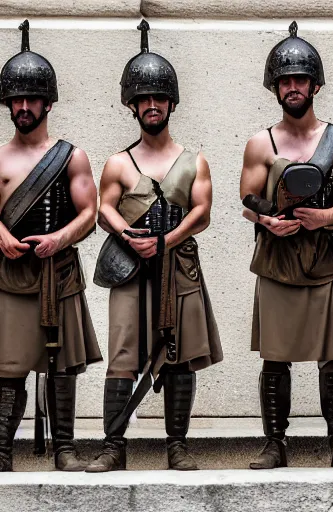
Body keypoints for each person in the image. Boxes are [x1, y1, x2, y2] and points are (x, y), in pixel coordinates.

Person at [86, 20, 222, 473]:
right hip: (130, 266)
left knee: (178, 353)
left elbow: (201, 212)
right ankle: (114, 447)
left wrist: (166, 240)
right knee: (124, 352)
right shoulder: (118, 163)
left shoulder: (193, 159)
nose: (151, 105)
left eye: (158, 98)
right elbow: (102, 207)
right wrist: (127, 236)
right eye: (143, 99)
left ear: (170, 103)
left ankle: (177, 446)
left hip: (177, 268)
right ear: (133, 106)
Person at [240, 21, 333, 470]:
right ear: (276, 88)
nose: (293, 88)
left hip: (327, 258)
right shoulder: (261, 143)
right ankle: (275, 445)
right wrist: (267, 221)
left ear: (315, 85)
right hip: (276, 260)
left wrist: (328, 216)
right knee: (275, 358)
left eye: (301, 80)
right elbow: (246, 202)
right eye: (285, 81)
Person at [0, 20, 102, 472]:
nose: (23, 107)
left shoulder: (71, 156)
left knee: (63, 366)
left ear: (48, 102)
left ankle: (64, 448)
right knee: (7, 366)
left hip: (57, 273)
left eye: (32, 99)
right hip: (9, 276)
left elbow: (90, 213)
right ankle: (1, 449)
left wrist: (60, 237)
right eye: (16, 100)